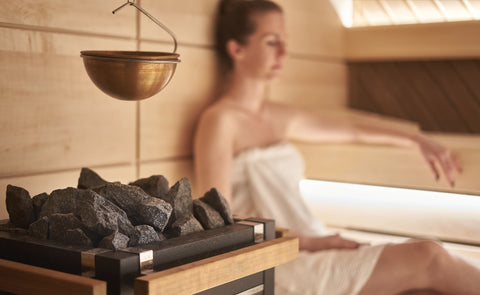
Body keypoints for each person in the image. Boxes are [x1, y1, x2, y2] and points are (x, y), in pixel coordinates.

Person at [194, 0, 479, 294]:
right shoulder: (220, 121)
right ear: (237, 50)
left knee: (424, 283)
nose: (284, 53)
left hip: (313, 244)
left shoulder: (279, 115)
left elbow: (353, 130)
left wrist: (418, 140)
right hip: (277, 261)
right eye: (271, 42)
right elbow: (222, 227)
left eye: (285, 42)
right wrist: (312, 242)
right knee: (429, 257)